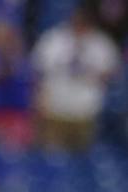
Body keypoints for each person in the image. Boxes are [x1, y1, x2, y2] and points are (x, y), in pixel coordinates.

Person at [33, 7, 119, 152]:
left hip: (86, 111)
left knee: (84, 162)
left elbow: (112, 72)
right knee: (54, 158)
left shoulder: (101, 44)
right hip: (55, 109)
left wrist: (92, 72)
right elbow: (38, 70)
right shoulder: (53, 40)